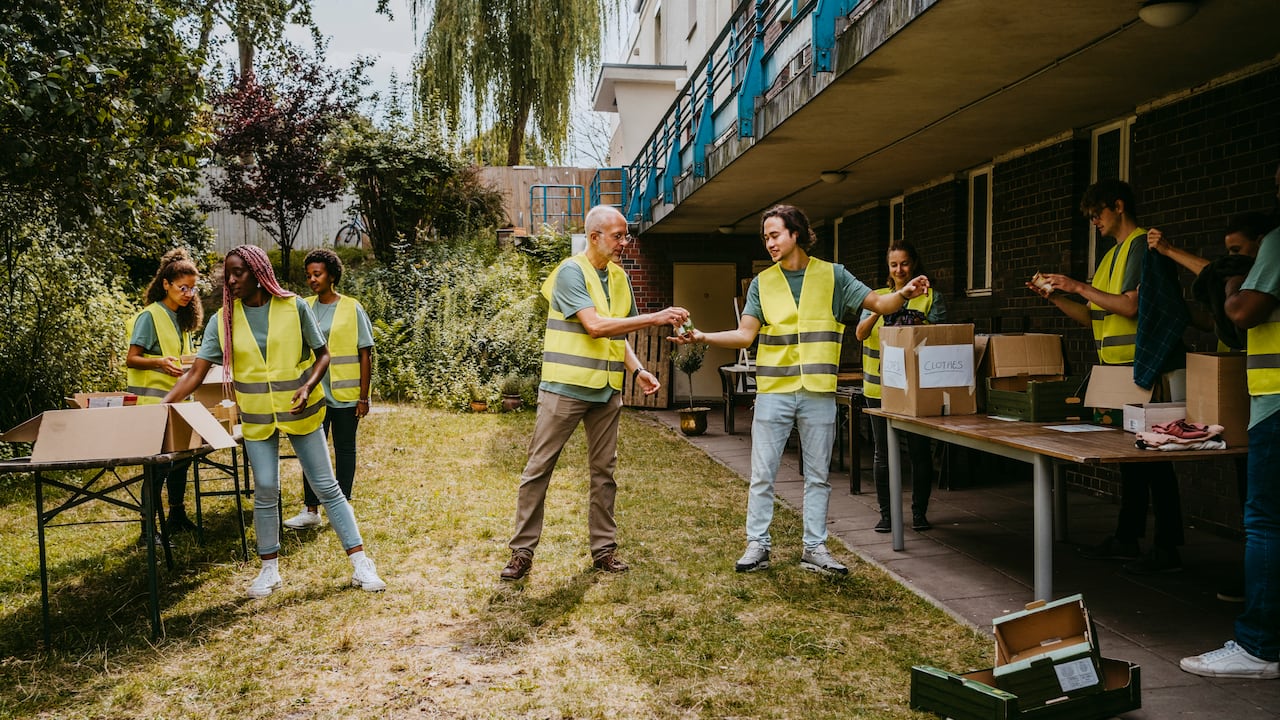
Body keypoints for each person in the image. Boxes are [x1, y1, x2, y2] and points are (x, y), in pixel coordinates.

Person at [673, 204, 930, 575]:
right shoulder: (762, 283)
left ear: (796, 233)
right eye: (765, 237)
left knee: (818, 477)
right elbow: (745, 335)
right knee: (763, 474)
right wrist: (702, 337)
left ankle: (815, 548)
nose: (769, 243)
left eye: (775, 235)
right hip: (774, 392)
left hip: (818, 392)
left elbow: (880, 303)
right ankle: (757, 545)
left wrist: (904, 292)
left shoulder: (834, 276)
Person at [163, 244, 386, 598]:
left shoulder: (294, 307)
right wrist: (162, 405)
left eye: (238, 273)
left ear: (258, 273)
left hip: (301, 411)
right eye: (228, 274)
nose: (230, 280)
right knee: (266, 488)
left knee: (326, 486)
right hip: (257, 418)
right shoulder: (224, 320)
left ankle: (361, 562)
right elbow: (196, 373)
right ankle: (269, 570)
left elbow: (323, 354)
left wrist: (307, 386)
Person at [499, 206, 689, 581]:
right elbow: (596, 326)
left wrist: (638, 370)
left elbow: (618, 332)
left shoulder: (619, 277)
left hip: (606, 391)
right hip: (565, 389)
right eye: (618, 236)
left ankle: (603, 551)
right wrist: (655, 317)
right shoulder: (570, 272)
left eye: (625, 236)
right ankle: (522, 552)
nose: (624, 243)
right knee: (539, 469)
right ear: (594, 237)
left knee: (604, 473)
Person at [1030, 179, 1186, 574]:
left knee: (1154, 460)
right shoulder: (1111, 256)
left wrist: (1076, 285)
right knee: (1132, 460)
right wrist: (1058, 297)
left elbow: (1130, 307)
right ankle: (1129, 538)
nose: (1094, 221)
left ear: (1118, 206)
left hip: (1145, 369)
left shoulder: (1140, 246)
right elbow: (1093, 316)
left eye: (1096, 213)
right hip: (1119, 371)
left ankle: (1165, 546)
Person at [1180, 192, 1280, 680]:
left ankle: (1259, 648)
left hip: (1277, 403)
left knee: (1266, 523)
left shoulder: (1277, 242)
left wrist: (1235, 277)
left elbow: (1241, 313)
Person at [855, 240, 946, 533]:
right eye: (893, 264)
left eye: (904, 263)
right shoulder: (876, 297)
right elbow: (860, 334)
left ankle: (919, 514)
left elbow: (941, 339)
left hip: (915, 389)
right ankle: (887, 515)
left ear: (914, 263)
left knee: (919, 452)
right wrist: (881, 307)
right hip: (878, 388)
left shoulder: (930, 298)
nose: (899, 270)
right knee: (883, 453)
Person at [283, 248, 374, 531]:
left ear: (332, 276)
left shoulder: (352, 307)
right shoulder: (304, 307)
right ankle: (311, 510)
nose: (312, 279)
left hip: (346, 396)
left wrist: (364, 396)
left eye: (317, 274)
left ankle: (342, 507)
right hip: (314, 394)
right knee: (311, 453)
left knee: (345, 450)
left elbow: (365, 353)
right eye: (308, 275)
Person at [126, 248, 202, 541]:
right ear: (166, 284)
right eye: (183, 288)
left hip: (179, 405)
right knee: (157, 469)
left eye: (192, 289)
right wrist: (159, 362)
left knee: (180, 462)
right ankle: (147, 530)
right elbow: (132, 358)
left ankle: (177, 516)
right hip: (153, 405)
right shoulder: (150, 316)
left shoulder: (181, 319)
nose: (188, 294)